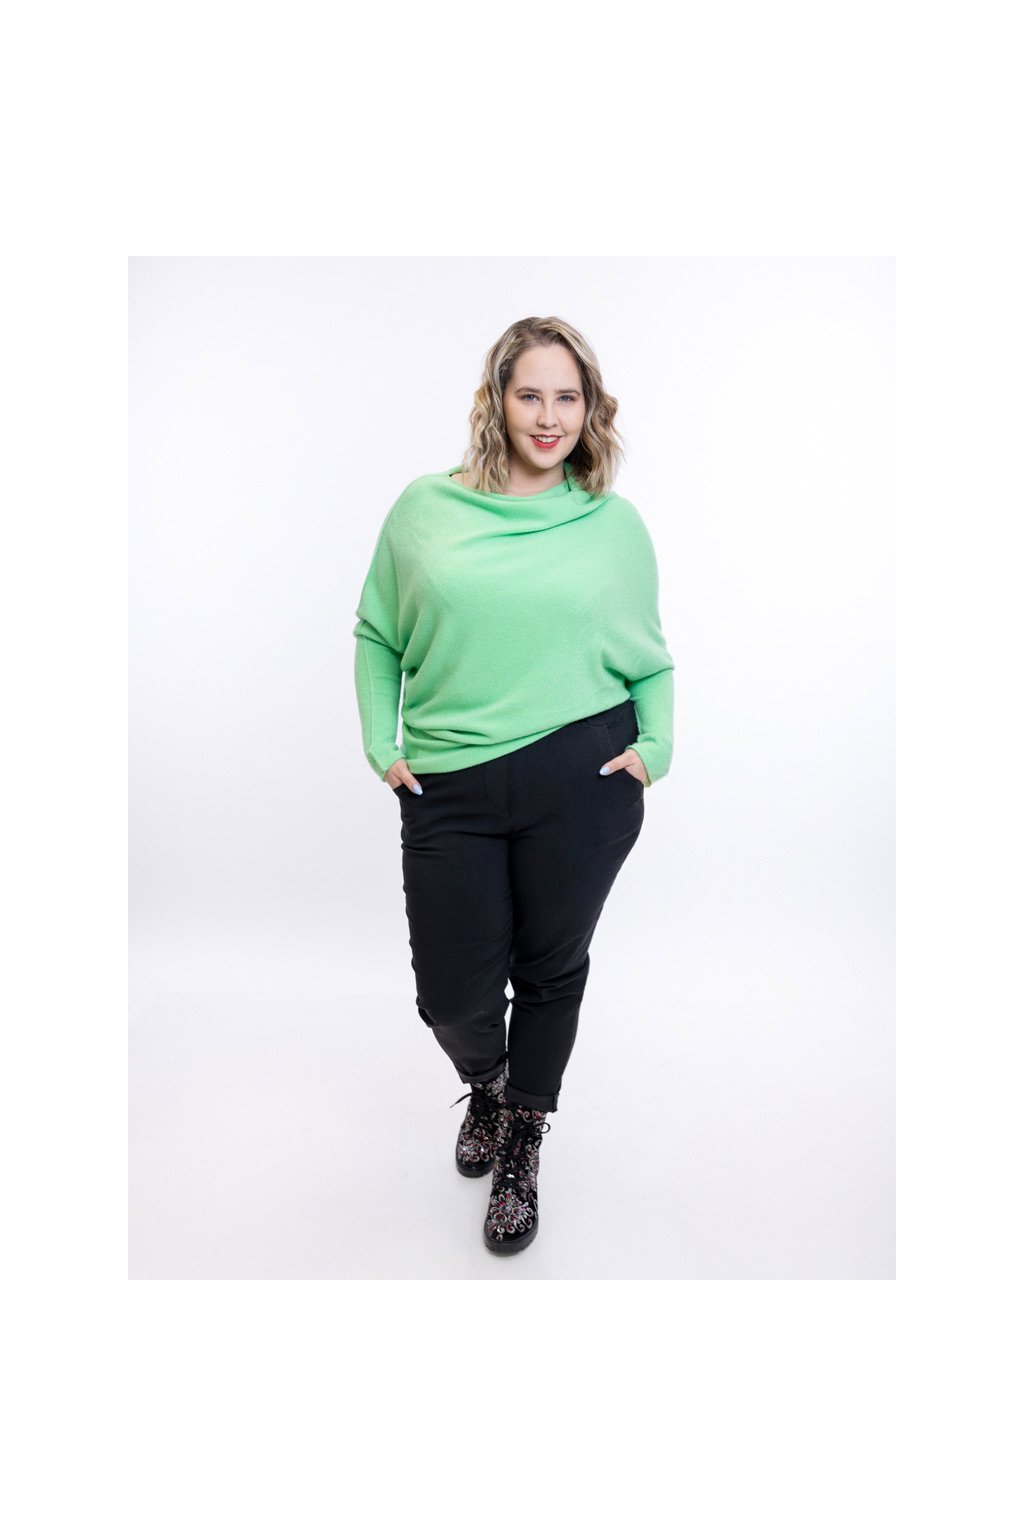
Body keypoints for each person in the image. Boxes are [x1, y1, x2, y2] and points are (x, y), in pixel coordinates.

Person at [352, 316, 675, 1256]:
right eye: (529, 394)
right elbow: (377, 632)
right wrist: (380, 741)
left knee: (549, 971)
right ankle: (488, 1087)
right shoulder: (426, 509)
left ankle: (523, 1138)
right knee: (450, 994)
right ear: (496, 399)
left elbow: (650, 658)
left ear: (590, 408)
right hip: (450, 780)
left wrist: (656, 748)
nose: (548, 417)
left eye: (567, 397)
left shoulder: (612, 525)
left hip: (582, 774)